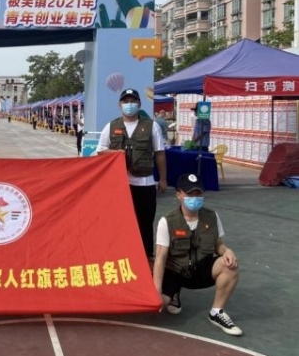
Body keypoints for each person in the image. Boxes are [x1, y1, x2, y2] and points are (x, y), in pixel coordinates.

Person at [153, 173, 243, 336]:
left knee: (230, 266)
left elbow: (218, 245)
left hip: (201, 269)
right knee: (159, 303)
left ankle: (217, 312)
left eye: (198, 193)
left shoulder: (212, 216)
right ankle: (173, 293)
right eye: (189, 194)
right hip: (175, 272)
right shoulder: (167, 221)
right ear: (179, 195)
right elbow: (160, 258)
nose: (194, 198)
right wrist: (156, 291)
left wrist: (227, 251)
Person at [94, 88, 167, 259]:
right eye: (126, 101)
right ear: (119, 105)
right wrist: (117, 153)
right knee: (119, 221)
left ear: (139, 104)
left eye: (133, 101)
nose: (129, 105)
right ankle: (120, 255)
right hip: (119, 185)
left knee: (145, 222)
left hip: (145, 183)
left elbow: (159, 153)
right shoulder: (111, 126)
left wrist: (163, 179)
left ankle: (146, 257)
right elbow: (100, 151)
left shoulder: (151, 126)